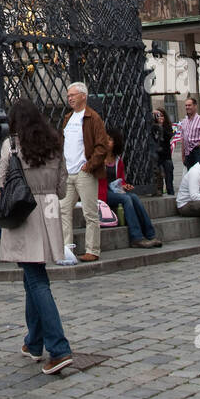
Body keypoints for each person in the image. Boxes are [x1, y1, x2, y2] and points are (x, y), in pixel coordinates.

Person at [0, 99, 73, 375]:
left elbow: (3, 182)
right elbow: (63, 188)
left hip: (24, 214)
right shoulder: (54, 144)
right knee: (32, 276)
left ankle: (60, 348)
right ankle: (34, 341)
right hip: (50, 213)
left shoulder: (13, 146)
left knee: (37, 280)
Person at [59, 82, 109, 263]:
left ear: (83, 96)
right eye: (68, 95)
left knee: (90, 213)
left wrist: (90, 165)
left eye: (73, 95)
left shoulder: (92, 118)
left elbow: (101, 146)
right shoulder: (68, 118)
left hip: (84, 172)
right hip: (68, 172)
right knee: (64, 210)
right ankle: (66, 248)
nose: (70, 98)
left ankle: (92, 249)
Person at [100, 128, 162, 249]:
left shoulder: (118, 161)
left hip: (115, 191)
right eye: (106, 139)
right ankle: (136, 237)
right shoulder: (100, 158)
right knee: (126, 199)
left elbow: (120, 180)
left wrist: (124, 185)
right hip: (102, 191)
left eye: (110, 140)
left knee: (133, 197)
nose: (107, 142)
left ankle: (150, 234)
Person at [151, 108, 175, 196]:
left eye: (161, 115)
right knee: (158, 177)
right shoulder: (153, 126)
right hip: (157, 157)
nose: (160, 117)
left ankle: (171, 193)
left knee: (169, 178)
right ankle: (159, 192)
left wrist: (161, 126)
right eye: (158, 115)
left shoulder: (167, 127)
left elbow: (169, 136)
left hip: (166, 155)